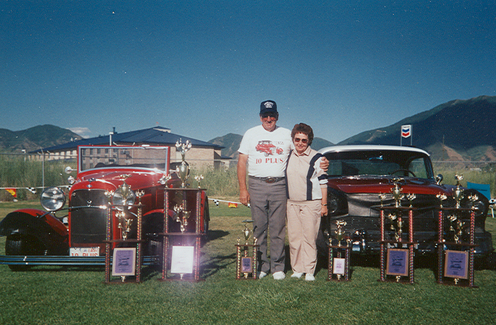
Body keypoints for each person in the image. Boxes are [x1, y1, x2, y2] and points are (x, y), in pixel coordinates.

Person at [237, 100, 292, 280]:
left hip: (279, 185)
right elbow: (242, 162)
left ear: (277, 116)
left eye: (272, 115)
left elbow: (301, 151)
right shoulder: (251, 133)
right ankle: (261, 265)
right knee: (259, 228)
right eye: (265, 115)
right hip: (257, 184)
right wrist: (243, 189)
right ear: (260, 117)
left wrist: (321, 160)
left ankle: (277, 267)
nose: (269, 119)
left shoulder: (286, 134)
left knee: (277, 228)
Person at [285, 123, 328, 281]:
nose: (300, 143)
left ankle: (309, 270)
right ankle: (297, 269)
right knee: (295, 238)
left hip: (311, 204)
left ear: (309, 141)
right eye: (297, 139)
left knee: (309, 238)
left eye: (304, 140)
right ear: (293, 139)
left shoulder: (317, 158)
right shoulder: (288, 155)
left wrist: (324, 205)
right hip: (292, 203)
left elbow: (323, 183)